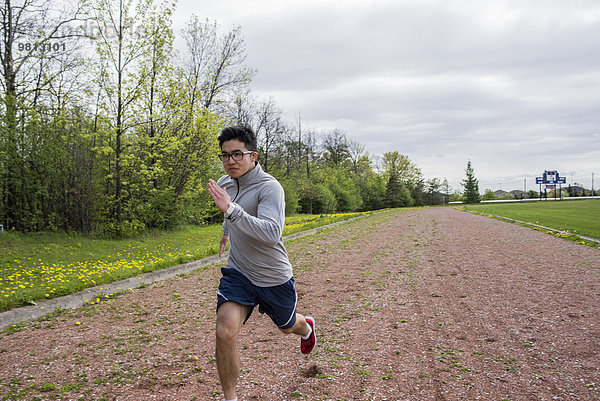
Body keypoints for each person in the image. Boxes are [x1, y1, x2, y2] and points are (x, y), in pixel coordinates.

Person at [207, 125, 316, 401]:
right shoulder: (225, 182)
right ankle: (230, 398)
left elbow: (270, 233)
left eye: (237, 154)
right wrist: (226, 231)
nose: (230, 161)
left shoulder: (270, 188)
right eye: (225, 155)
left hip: (272, 277)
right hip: (239, 273)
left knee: (286, 326)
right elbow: (228, 213)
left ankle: (305, 327)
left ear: (253, 155)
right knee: (224, 331)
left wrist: (231, 210)